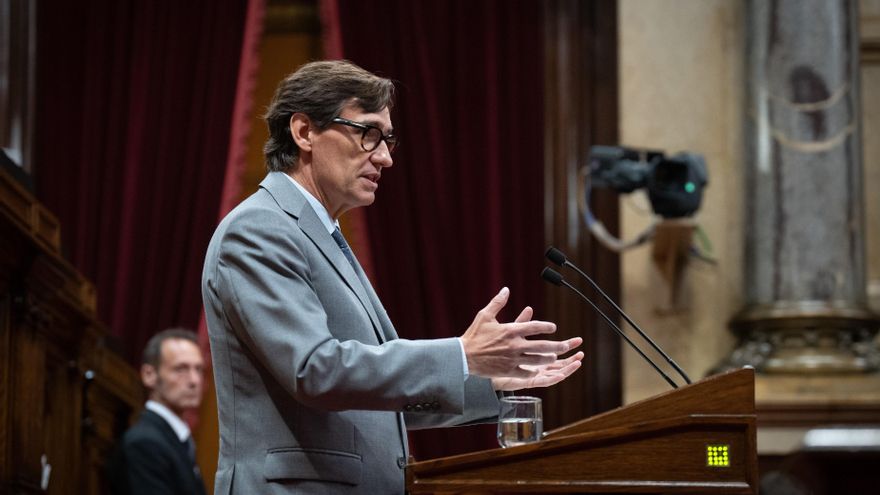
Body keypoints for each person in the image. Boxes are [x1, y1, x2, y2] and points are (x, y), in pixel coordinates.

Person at [201, 59, 584, 494]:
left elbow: (369, 401)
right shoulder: (259, 229)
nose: (384, 156)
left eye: (387, 139)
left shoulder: (321, 233)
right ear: (304, 131)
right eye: (368, 134)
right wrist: (459, 354)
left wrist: (483, 378)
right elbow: (315, 371)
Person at [108, 329, 207, 495]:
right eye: (181, 368)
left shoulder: (177, 440)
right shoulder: (144, 443)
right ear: (149, 375)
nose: (195, 381)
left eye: (199, 369)